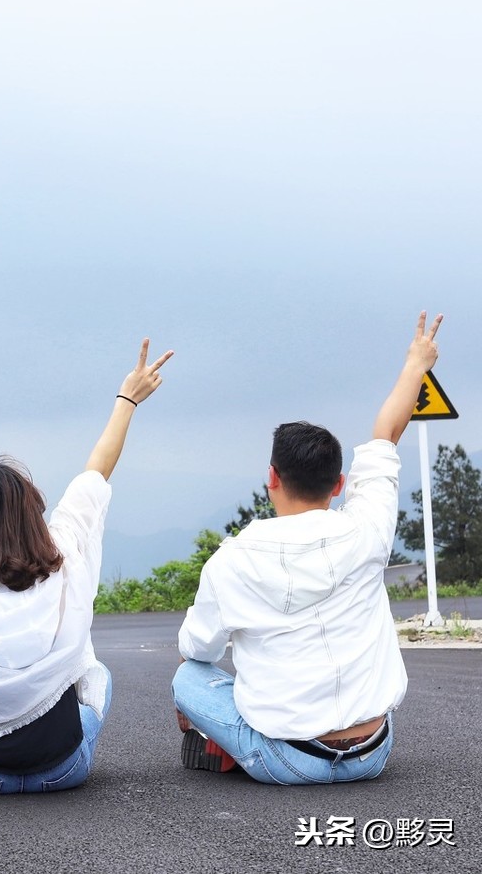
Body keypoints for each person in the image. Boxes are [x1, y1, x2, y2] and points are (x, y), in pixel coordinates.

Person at [0, 339, 174, 794]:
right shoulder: (65, 560)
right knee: (97, 673)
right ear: (32, 513)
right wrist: (128, 399)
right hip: (67, 771)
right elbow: (95, 474)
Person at [172, 311, 443, 784]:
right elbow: (387, 434)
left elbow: (198, 647)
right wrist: (415, 364)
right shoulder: (367, 530)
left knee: (188, 677)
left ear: (271, 478)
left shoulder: (230, 560)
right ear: (339, 484)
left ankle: (228, 745)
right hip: (372, 754)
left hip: (286, 761)